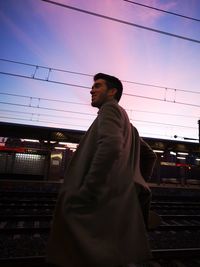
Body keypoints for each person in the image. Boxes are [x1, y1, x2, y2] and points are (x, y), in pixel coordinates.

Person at [47, 73, 155, 267]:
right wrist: (135, 182)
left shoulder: (109, 110)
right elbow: (150, 156)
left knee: (82, 251)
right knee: (112, 253)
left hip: (99, 199)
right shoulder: (130, 127)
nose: (91, 90)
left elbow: (111, 146)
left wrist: (89, 189)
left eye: (97, 86)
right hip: (117, 202)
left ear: (112, 92)